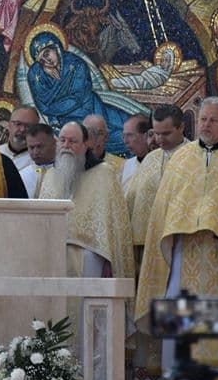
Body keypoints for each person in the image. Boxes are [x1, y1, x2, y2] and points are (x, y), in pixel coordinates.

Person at [135, 97, 218, 380]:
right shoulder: (181, 158)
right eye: (203, 119)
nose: (206, 125)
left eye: (213, 120)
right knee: (183, 329)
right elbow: (163, 212)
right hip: (184, 254)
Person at [125, 105, 187, 380]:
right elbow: (132, 201)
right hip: (146, 255)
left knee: (178, 313)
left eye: (166, 133)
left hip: (179, 252)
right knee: (149, 311)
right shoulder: (150, 160)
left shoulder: (193, 158)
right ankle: (147, 375)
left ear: (182, 128)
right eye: (155, 133)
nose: (159, 139)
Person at [39, 121, 134, 282]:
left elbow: (116, 224)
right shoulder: (49, 176)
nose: (66, 145)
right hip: (54, 254)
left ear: (85, 145)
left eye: (72, 141)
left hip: (91, 255)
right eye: (63, 140)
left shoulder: (104, 173)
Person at [26, 30, 140, 155]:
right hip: (70, 121)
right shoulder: (36, 75)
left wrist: (57, 106)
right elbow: (44, 107)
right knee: (109, 138)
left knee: (129, 124)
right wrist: (63, 106)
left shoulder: (75, 62)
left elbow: (79, 96)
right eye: (42, 60)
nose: (47, 61)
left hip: (92, 105)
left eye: (47, 53)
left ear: (55, 47)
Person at [0, 106, 39, 172]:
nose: (22, 129)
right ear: (9, 125)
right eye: (18, 124)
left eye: (29, 126)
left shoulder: (41, 159)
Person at [20, 123, 56, 198]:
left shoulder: (66, 174)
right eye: (31, 147)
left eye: (40, 147)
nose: (35, 152)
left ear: (54, 144)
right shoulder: (22, 176)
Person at [121, 113, 150, 191]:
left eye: (130, 135)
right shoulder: (126, 165)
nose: (125, 141)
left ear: (146, 135)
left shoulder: (162, 164)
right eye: (124, 136)